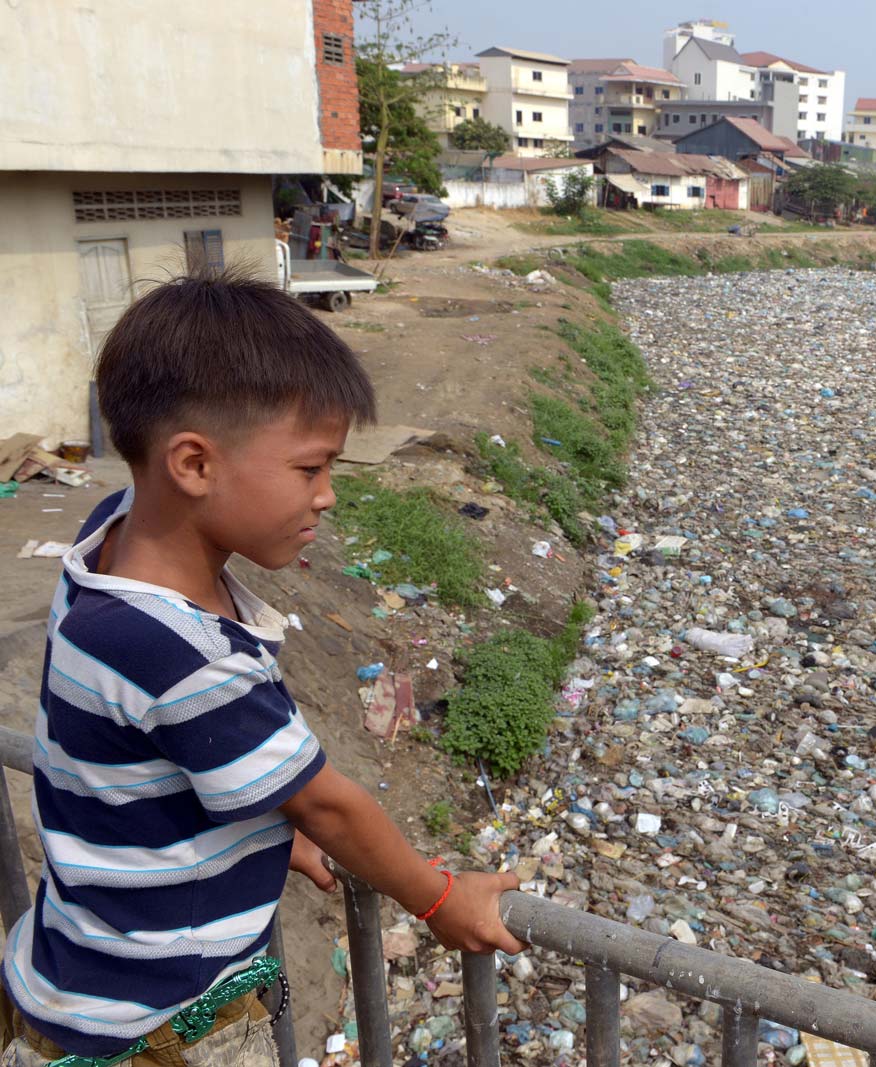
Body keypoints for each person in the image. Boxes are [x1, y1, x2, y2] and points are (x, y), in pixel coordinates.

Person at [0, 270, 524, 1067]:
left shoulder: (105, 547)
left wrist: (255, 821)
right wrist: (441, 898)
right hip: (156, 1031)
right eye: (311, 469)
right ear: (194, 465)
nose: (326, 498)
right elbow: (331, 807)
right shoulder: (183, 656)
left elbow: (157, 763)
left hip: (67, 985)